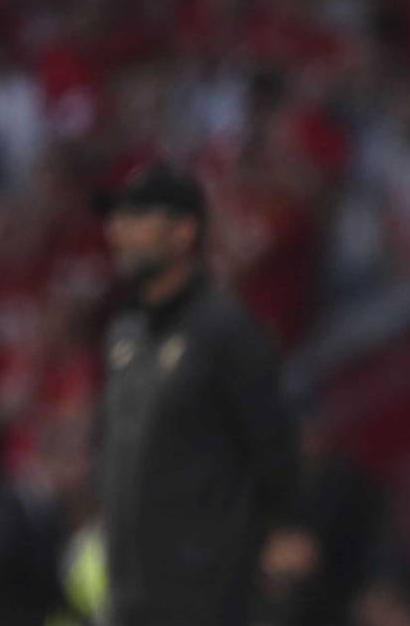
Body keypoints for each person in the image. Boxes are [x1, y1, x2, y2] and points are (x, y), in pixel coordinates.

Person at [98, 163, 298, 625]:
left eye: (137, 217)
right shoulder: (124, 335)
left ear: (184, 231)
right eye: (117, 218)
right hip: (133, 594)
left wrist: (282, 530)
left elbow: (275, 448)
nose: (118, 231)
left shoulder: (225, 330)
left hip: (207, 595)